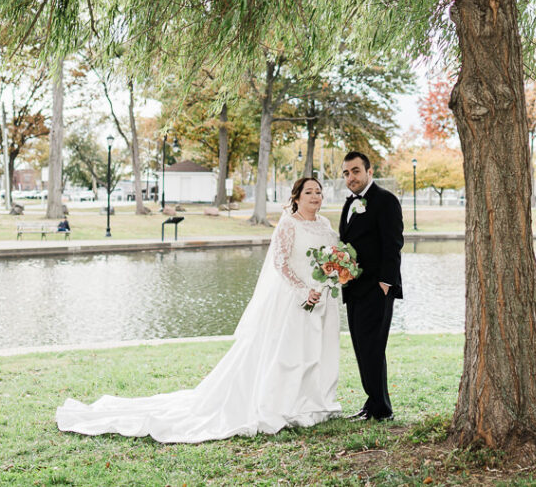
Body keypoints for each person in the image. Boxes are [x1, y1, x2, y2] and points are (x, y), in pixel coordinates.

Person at [56, 177, 341, 442]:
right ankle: (280, 404)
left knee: (311, 351)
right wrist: (304, 290)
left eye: (318, 192)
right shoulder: (289, 224)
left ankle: (308, 403)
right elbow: (280, 263)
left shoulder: (325, 225)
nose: (315, 196)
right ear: (297, 197)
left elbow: (330, 259)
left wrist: (327, 281)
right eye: (309, 192)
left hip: (320, 298)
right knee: (286, 353)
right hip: (292, 298)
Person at [339, 151, 404, 422]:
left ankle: (381, 409)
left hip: (377, 289)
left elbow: (393, 244)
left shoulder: (385, 200)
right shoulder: (349, 204)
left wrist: (386, 283)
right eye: (346, 173)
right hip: (353, 288)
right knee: (361, 347)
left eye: (355, 171)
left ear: (368, 172)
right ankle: (372, 403)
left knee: (373, 348)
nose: (350, 177)